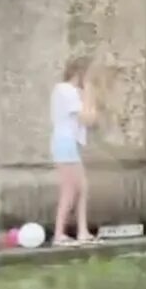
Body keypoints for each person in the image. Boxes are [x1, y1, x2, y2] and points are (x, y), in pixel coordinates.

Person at [51, 56, 99, 245]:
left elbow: (93, 119)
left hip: (70, 145)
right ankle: (59, 235)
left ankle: (82, 231)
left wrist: (88, 95)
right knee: (70, 190)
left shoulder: (73, 92)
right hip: (65, 143)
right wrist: (89, 93)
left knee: (82, 189)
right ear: (80, 73)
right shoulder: (65, 90)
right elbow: (87, 118)